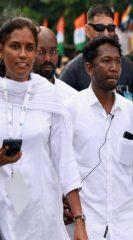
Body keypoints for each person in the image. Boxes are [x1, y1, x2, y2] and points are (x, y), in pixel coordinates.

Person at [0, 17, 87, 240]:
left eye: (30, 48)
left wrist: (79, 220)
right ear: (1, 51)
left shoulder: (49, 96)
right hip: (4, 211)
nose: (23, 54)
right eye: (15, 46)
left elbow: (65, 160)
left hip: (42, 212)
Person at [65, 36, 133, 240]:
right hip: (88, 224)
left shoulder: (132, 112)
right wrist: (78, 220)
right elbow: (66, 168)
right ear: (89, 68)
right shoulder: (71, 109)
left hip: (125, 226)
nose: (114, 67)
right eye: (106, 61)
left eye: (118, 61)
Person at [60, 4, 133, 105]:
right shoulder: (72, 70)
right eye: (100, 27)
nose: (106, 33)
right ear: (87, 30)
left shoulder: (128, 65)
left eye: (111, 28)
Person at [33, 26, 77, 102]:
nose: (48, 58)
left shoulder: (72, 98)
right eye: (41, 52)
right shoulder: (15, 94)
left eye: (53, 51)